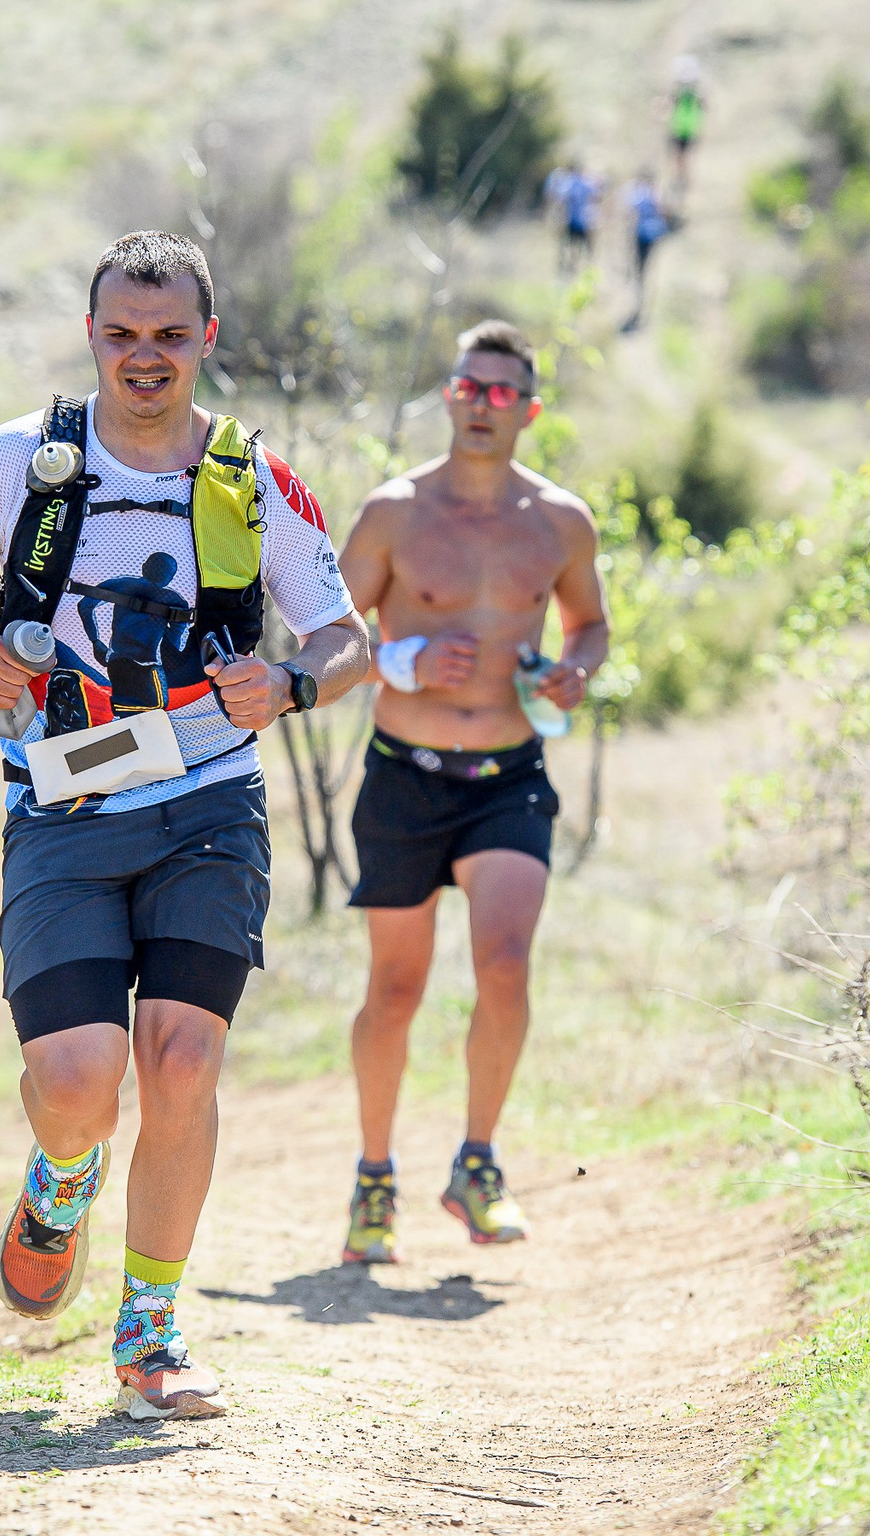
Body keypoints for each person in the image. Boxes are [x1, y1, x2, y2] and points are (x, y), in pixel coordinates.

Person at [0, 231, 370, 1418]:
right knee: (78, 1083)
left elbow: (348, 636)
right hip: (63, 805)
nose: (145, 357)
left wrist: (296, 685)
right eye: (121, 334)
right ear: (92, 335)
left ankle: (150, 1332)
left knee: (184, 1061)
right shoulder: (23, 462)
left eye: (169, 335)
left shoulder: (251, 479)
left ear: (207, 338)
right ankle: (61, 1176)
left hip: (208, 801)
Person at [331, 319, 609, 1265]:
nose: (484, 405)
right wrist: (401, 659)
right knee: (397, 988)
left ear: (529, 410)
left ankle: (478, 1161)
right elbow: (327, 643)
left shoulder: (561, 520)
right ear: (448, 395)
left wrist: (574, 673)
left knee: (504, 962)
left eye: (504, 393)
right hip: (405, 779)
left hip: (508, 780)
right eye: (469, 387)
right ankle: (375, 1178)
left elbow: (592, 627)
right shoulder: (395, 512)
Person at [621, 169, 675, 334]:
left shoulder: (639, 194)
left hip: (641, 235)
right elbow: (667, 212)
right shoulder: (657, 193)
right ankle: (646, 298)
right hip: (653, 234)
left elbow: (630, 212)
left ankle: (641, 294)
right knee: (648, 268)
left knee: (640, 269)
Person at [556, 164, 604, 275]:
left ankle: (573, 266)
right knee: (586, 246)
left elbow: (560, 200)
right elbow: (597, 197)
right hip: (584, 220)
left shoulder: (569, 183)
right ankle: (585, 267)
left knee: (571, 244)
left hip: (571, 219)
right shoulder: (587, 184)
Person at [667, 53, 705, 189]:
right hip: (682, 127)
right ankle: (681, 177)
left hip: (685, 128)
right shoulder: (688, 94)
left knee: (683, 156)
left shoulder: (693, 95)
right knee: (681, 156)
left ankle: (683, 178)